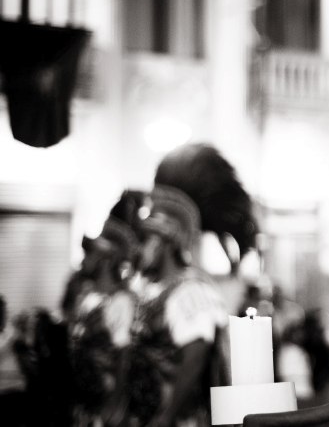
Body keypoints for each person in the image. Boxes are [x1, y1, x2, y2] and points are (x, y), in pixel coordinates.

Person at [128, 143, 258, 427]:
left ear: (167, 241)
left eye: (148, 239)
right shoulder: (151, 290)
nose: (140, 249)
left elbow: (195, 357)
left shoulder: (192, 291)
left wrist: (165, 417)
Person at [69, 214, 139, 427]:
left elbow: (124, 356)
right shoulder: (86, 297)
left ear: (107, 259)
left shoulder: (121, 301)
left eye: (90, 254)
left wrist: (115, 407)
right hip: (82, 404)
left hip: (104, 407)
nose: (84, 260)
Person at [0, 295, 27, 427]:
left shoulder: (6, 335)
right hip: (5, 395)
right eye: (4, 312)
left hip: (15, 393)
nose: (5, 317)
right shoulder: (7, 338)